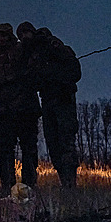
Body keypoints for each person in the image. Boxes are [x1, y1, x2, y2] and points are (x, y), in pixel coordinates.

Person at [16, 22, 81, 187]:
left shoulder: (51, 45)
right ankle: (64, 181)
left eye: (26, 33)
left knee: (66, 142)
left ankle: (70, 184)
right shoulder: (29, 54)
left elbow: (74, 70)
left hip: (63, 99)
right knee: (53, 144)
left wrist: (55, 78)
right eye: (20, 35)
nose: (24, 37)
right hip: (47, 101)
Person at [0, 23, 41, 194]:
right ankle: (7, 185)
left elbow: (34, 72)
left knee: (29, 147)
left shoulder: (22, 50)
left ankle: (29, 185)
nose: (2, 39)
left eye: (4, 35)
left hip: (26, 109)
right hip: (5, 111)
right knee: (5, 149)